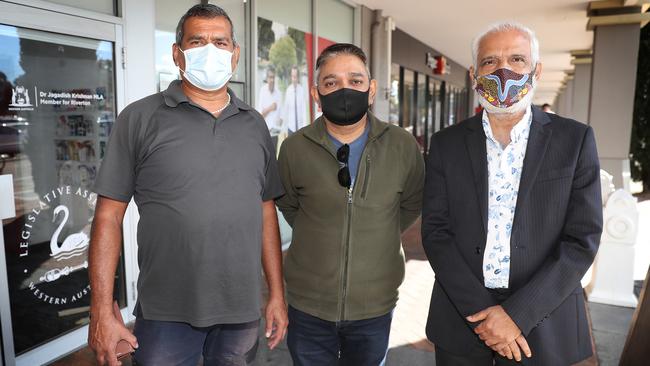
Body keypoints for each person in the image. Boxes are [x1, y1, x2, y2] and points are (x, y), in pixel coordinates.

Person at [87, 4, 287, 366]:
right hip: (167, 310)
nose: (210, 50)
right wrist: (101, 309)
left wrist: (276, 293)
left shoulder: (255, 124)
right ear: (178, 54)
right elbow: (108, 217)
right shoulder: (139, 118)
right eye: (198, 41)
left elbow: (265, 210)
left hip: (239, 308)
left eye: (220, 42)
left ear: (235, 54)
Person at [422, 22, 602, 365]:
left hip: (544, 320)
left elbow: (582, 239)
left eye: (517, 59)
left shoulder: (575, 141)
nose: (503, 70)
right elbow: (436, 233)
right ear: (475, 73)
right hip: (462, 317)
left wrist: (516, 315)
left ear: (536, 70)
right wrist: (484, 313)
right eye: (490, 61)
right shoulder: (445, 144)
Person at [276, 43, 425, 366]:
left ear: (371, 90)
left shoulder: (401, 145)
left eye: (355, 81)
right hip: (308, 306)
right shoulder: (294, 148)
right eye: (331, 83)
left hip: (374, 306)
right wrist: (324, 228)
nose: (344, 89)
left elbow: (411, 203)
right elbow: (288, 204)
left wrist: (373, 229)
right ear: (317, 94)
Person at [281, 66, 307, 133]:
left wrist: (304, 128)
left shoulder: (302, 90)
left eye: (295, 76)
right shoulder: (288, 91)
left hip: (300, 129)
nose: (294, 79)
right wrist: (284, 128)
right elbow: (286, 111)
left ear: (298, 77)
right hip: (290, 128)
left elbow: (304, 111)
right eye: (292, 76)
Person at [257, 66, 283, 132]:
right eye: (270, 77)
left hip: (275, 132)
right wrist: (270, 108)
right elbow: (260, 115)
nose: (272, 80)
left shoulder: (279, 93)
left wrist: (280, 124)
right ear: (267, 78)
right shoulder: (262, 91)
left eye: (273, 77)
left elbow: (281, 116)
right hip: (265, 130)